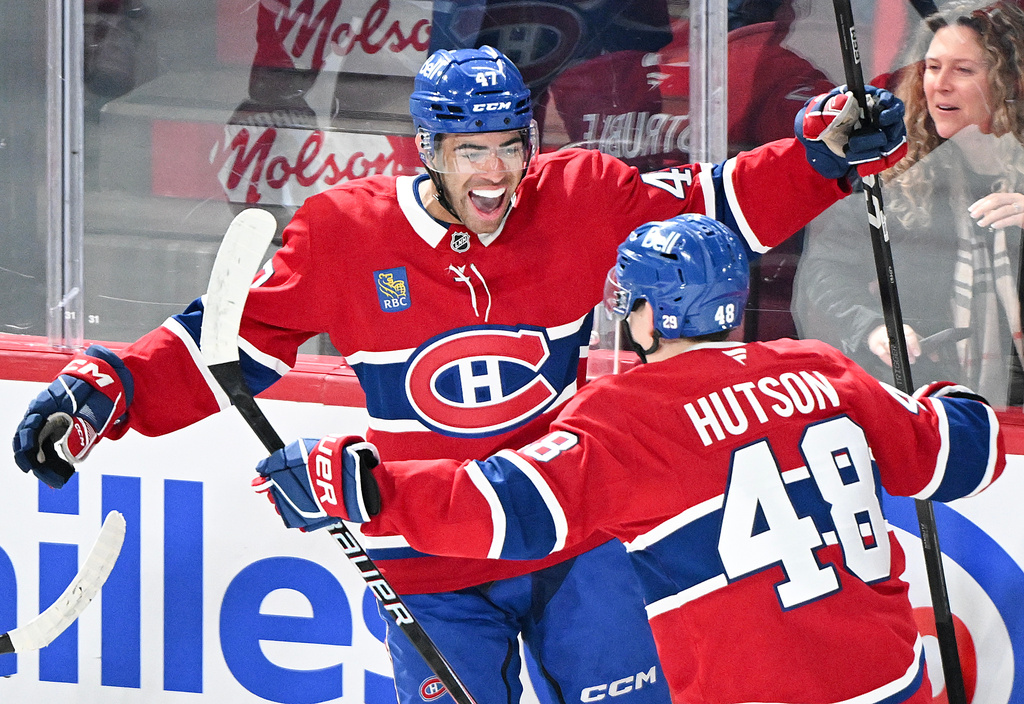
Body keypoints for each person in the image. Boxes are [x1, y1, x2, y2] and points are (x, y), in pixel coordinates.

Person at [12, 46, 906, 704]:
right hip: (429, 563)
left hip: (574, 540)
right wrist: (110, 391)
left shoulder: (581, 194)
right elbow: (228, 344)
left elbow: (718, 204)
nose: (498, 172)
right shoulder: (346, 234)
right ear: (428, 148)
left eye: (511, 145)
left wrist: (826, 156)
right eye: (471, 149)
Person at [252, 213, 1006, 704]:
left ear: (649, 312)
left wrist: (358, 486)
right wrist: (948, 400)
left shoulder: (628, 416)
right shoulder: (820, 368)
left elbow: (502, 513)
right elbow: (963, 456)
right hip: (896, 687)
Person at [792, 0, 1024, 406]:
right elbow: (826, 269)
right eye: (932, 67)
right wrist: (874, 329)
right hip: (935, 401)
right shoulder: (891, 170)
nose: (941, 84)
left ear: (1010, 81)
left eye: (963, 70)